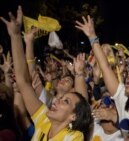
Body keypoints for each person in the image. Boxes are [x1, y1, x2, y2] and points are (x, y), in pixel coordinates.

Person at [0, 6, 93, 141]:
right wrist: (15, 36)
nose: (58, 100)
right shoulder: (44, 120)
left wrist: (79, 74)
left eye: (66, 101)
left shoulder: (74, 137)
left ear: (73, 117)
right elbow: (23, 82)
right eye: (62, 98)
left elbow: (83, 103)